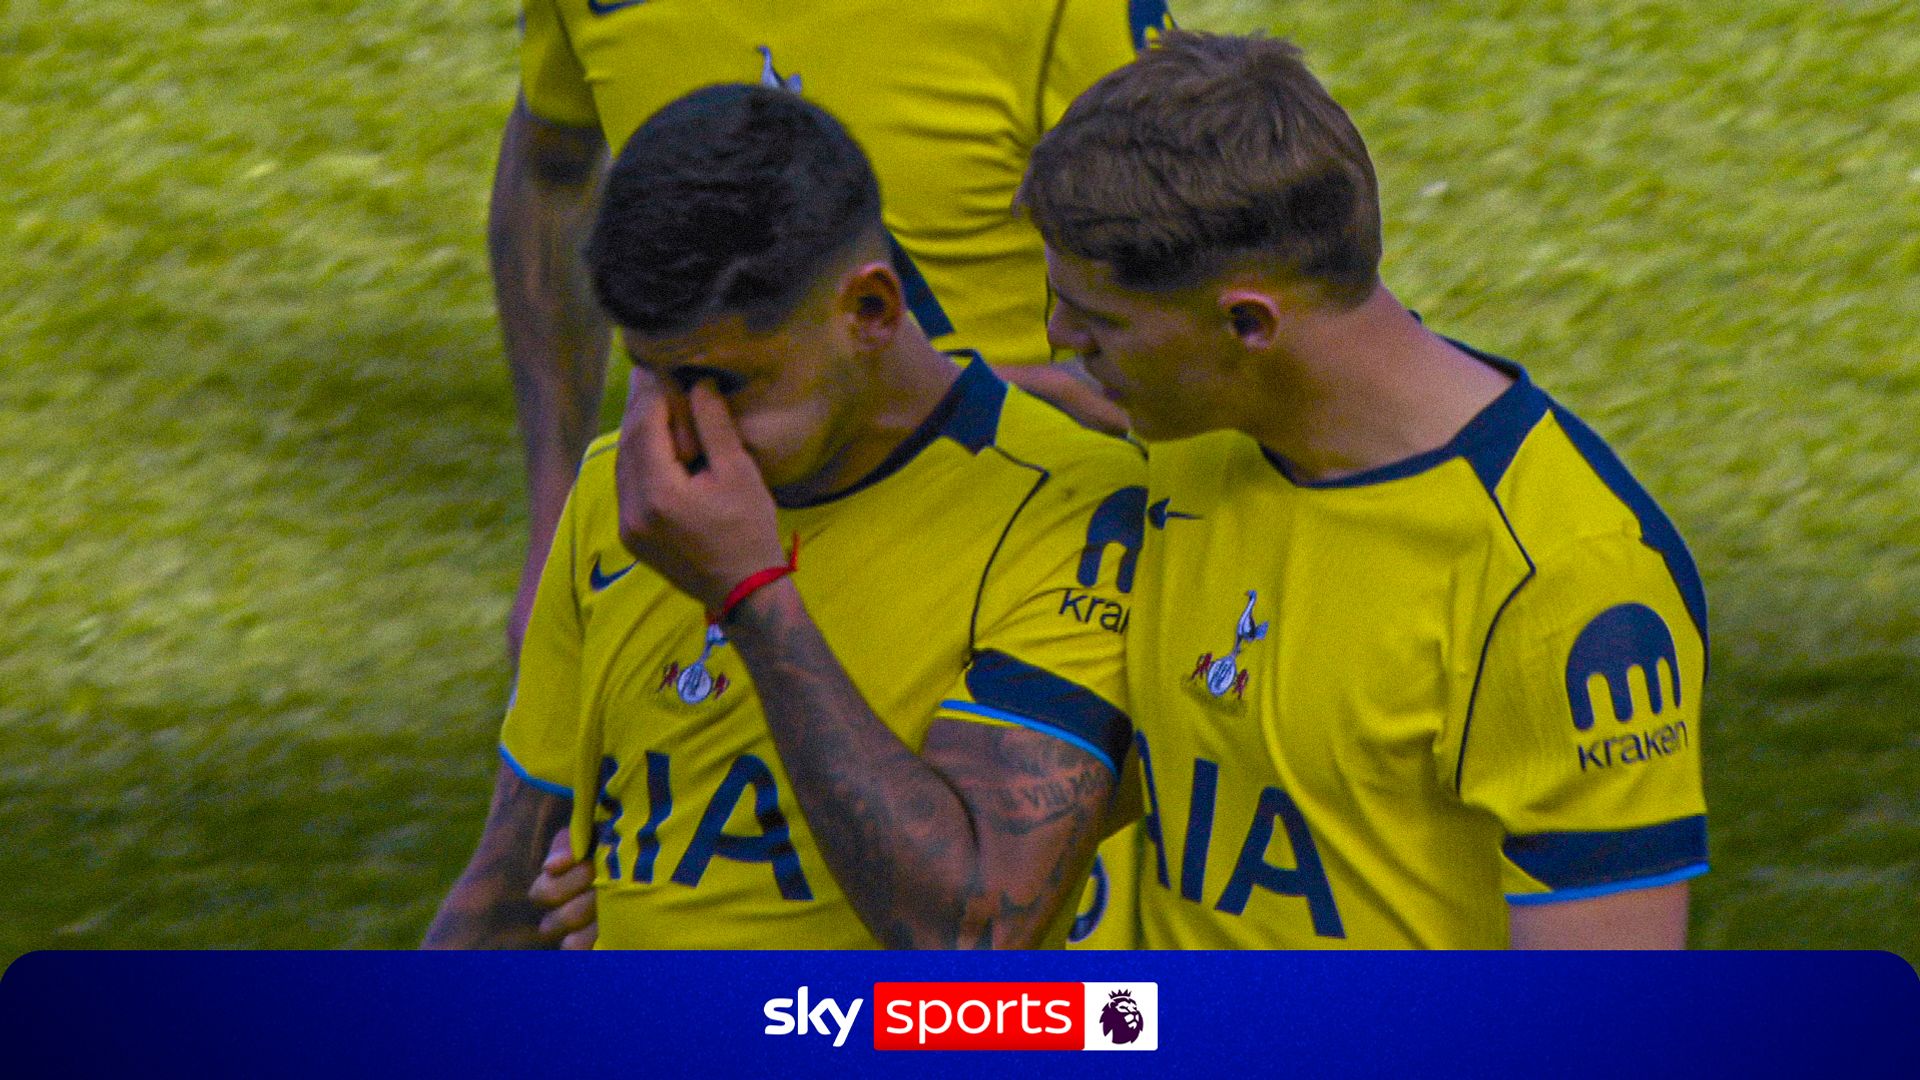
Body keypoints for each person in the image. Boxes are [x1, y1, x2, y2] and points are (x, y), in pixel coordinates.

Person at [1019, 31, 1710, 948]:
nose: (1060, 338)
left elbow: (1600, 1023)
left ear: (1247, 321)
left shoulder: (1562, 582)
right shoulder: (1186, 443)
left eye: (1098, 318)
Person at [427, 84, 1141, 949]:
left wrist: (753, 596)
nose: (679, 434)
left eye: (722, 382)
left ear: (870, 313)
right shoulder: (624, 488)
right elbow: (509, 884)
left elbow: (971, 939)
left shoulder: (1071, 510)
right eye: (651, 374)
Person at [495, 0, 1169, 658]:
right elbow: (551, 170)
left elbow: (1189, 280)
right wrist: (554, 523)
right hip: (701, 535)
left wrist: (969, 404)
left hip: (1005, 549)